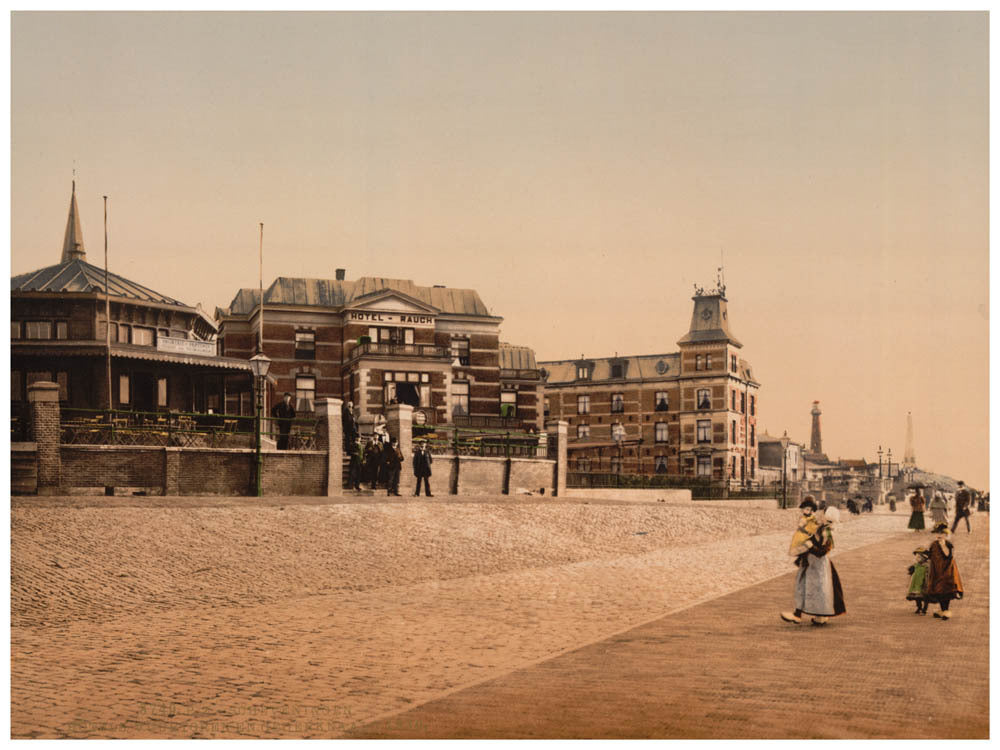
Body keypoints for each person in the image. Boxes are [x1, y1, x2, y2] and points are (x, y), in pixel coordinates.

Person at [781, 499, 846, 626]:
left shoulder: (828, 533)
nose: (820, 514)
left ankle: (814, 615)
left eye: (823, 513)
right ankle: (800, 614)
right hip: (812, 563)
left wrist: (810, 546)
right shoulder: (821, 528)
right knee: (810, 587)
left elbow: (823, 551)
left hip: (819, 565)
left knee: (818, 589)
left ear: (828, 517)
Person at [925, 522, 964, 620]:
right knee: (938, 590)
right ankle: (942, 610)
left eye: (941, 534)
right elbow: (930, 555)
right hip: (937, 571)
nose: (939, 536)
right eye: (937, 533)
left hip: (947, 571)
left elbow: (948, 556)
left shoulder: (947, 544)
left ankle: (946, 610)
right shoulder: (933, 544)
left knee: (946, 590)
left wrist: (943, 545)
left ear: (946, 535)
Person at [906, 547, 930, 615]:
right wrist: (911, 570)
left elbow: (928, 575)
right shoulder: (916, 565)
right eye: (916, 557)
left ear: (924, 558)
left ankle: (924, 609)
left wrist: (927, 582)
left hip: (924, 583)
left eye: (919, 557)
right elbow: (912, 572)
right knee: (917, 597)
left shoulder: (927, 566)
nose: (917, 558)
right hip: (916, 584)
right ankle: (919, 607)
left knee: (926, 597)